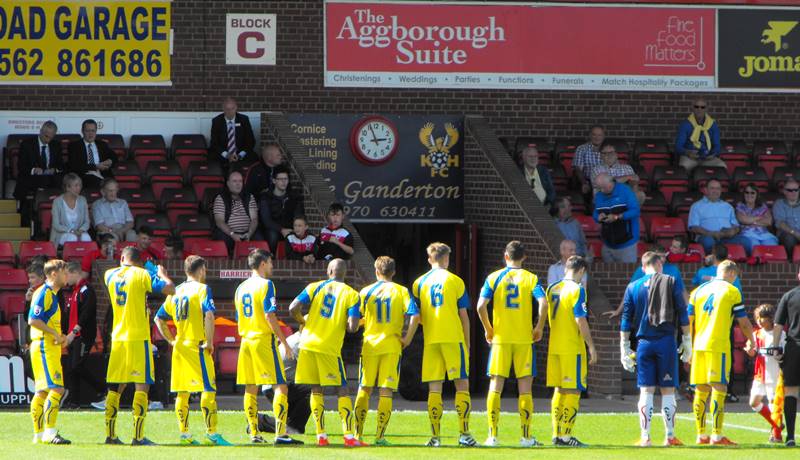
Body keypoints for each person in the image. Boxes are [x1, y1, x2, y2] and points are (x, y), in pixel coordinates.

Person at [154, 255, 232, 446]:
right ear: (201, 270)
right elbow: (209, 315)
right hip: (198, 345)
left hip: (180, 346)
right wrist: (210, 342)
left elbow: (158, 318)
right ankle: (212, 433)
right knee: (208, 388)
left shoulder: (176, 291)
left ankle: (185, 435)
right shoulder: (203, 289)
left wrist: (172, 341)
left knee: (183, 392)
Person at [476, 241, 547, 447]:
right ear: (524, 257)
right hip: (524, 339)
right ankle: (526, 437)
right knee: (525, 388)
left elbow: (481, 306)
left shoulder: (494, 277)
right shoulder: (531, 278)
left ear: (505, 256)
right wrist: (539, 327)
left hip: (500, 339)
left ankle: (492, 436)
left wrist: (488, 328)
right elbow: (543, 303)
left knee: (495, 386)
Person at [289, 259, 365, 447]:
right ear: (344, 273)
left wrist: (302, 320)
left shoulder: (315, 286)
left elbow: (292, 308)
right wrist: (356, 322)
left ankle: (321, 436)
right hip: (328, 348)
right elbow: (353, 328)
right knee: (342, 389)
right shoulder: (352, 294)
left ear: (329, 270)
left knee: (316, 389)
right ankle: (348, 436)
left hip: (306, 345)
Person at [102, 246, 175, 445]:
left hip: (118, 338)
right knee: (141, 385)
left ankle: (110, 435)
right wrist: (161, 274)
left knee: (116, 386)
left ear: (123, 258)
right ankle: (138, 436)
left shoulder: (109, 274)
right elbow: (170, 289)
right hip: (138, 337)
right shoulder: (142, 274)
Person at [619, 251, 691, 447]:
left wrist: (624, 347)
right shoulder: (671, 281)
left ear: (643, 267)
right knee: (667, 390)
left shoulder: (633, 286)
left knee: (646, 391)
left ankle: (645, 437)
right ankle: (669, 436)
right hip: (666, 341)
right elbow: (683, 312)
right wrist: (687, 340)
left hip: (643, 343)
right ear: (659, 265)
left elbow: (625, 319)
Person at [234, 249, 301, 445]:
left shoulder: (241, 287)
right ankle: (281, 434)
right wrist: (284, 341)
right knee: (280, 385)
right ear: (263, 263)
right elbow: (269, 315)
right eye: (270, 263)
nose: (272, 266)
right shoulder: (267, 285)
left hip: (245, 341)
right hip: (263, 340)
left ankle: (254, 433)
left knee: (251, 387)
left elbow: (239, 317)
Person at [412, 242, 475, 447]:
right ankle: (464, 434)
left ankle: (435, 437)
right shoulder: (456, 281)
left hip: (432, 340)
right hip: (453, 338)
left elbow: (417, 315)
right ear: (447, 259)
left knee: (434, 389)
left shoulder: (418, 283)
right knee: (461, 385)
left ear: (430, 259)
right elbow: (463, 315)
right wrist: (467, 343)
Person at [353, 256, 420, 445]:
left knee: (364, 388)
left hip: (370, 346)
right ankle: (380, 436)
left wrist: (365, 322)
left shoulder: (365, 292)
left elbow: (355, 320)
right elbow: (415, 315)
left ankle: (358, 435)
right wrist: (407, 339)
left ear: (376, 271)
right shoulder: (401, 291)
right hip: (392, 346)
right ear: (394, 272)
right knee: (386, 391)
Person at [688, 260, 755, 445]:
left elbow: (688, 321)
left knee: (701, 389)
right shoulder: (732, 291)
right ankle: (716, 436)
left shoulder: (697, 291)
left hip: (698, 345)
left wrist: (688, 345)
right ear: (732, 274)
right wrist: (752, 340)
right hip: (718, 344)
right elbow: (743, 322)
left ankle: (701, 435)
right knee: (719, 387)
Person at [535, 255, 596, 447]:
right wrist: (591, 346)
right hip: (572, 347)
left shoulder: (552, 288)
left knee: (559, 390)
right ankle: (566, 436)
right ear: (581, 271)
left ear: (565, 269)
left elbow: (544, 312)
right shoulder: (578, 290)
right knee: (573, 390)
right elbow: (581, 320)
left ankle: (556, 433)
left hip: (555, 347)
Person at [28, 259, 71, 444]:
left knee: (42, 392)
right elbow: (33, 319)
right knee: (57, 389)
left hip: (45, 345)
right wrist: (54, 333)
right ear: (54, 274)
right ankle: (50, 433)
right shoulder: (44, 293)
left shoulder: (50, 294)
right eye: (64, 272)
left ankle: (39, 434)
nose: (67, 275)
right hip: (45, 346)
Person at [60, 262, 105, 408]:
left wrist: (74, 332)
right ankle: (74, 401)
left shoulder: (87, 290)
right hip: (73, 335)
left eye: (67, 275)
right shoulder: (74, 291)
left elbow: (87, 313)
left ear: (75, 273)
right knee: (72, 369)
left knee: (76, 366)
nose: (65, 279)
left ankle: (103, 389)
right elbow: (68, 316)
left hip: (83, 335)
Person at [745, 303, 785, 443]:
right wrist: (750, 350)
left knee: (774, 402)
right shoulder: (757, 334)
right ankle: (777, 424)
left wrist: (778, 353)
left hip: (774, 372)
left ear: (770, 318)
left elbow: (783, 352)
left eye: (763, 318)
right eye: (757, 318)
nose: (759, 321)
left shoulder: (778, 333)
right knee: (754, 402)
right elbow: (751, 350)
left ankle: (777, 434)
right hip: (760, 373)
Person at [15, 121, 64, 225]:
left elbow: (61, 165)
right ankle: (34, 216)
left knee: (64, 181)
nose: (48, 139)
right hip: (31, 177)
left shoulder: (56, 145)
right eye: (46, 136)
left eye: (51, 137)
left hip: (51, 178)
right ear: (41, 131)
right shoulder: (27, 144)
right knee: (41, 180)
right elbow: (21, 166)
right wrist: (33, 170)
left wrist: (54, 169)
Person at [773, 266, 800, 446]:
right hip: (794, 346)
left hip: (794, 346)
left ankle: (790, 436)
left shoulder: (789, 295)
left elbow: (778, 324)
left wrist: (775, 347)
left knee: (791, 391)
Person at [688, 180, 749, 254]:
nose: (715, 191)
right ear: (705, 190)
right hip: (707, 236)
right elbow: (694, 227)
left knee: (746, 242)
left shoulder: (728, 206)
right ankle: (714, 263)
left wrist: (733, 231)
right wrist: (711, 233)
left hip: (727, 237)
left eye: (718, 188)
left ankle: (740, 263)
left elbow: (736, 226)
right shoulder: (696, 206)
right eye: (712, 188)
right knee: (708, 242)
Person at [593, 173, 640, 263]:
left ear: (610, 185)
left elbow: (635, 211)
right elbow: (595, 212)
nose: (600, 190)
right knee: (608, 275)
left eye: (602, 187)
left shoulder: (625, 191)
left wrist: (617, 216)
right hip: (608, 244)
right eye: (599, 188)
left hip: (627, 244)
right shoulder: (599, 195)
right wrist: (597, 217)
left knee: (627, 274)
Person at [258, 166, 304, 253]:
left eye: (286, 179)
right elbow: (266, 220)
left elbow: (299, 215)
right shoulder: (266, 197)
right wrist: (281, 230)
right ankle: (271, 258)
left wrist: (296, 228)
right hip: (272, 229)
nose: (284, 182)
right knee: (272, 235)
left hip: (290, 227)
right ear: (274, 181)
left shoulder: (293, 197)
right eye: (280, 179)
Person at [212, 170, 261, 252]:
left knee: (259, 239)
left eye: (240, 181)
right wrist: (233, 234)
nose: (238, 184)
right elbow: (219, 221)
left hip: (247, 233)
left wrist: (250, 233)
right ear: (228, 184)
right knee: (222, 239)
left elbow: (254, 219)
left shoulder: (249, 197)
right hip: (229, 233)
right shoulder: (221, 198)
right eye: (234, 181)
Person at [675, 98, 724, 173]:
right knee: (683, 168)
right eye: (696, 107)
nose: (699, 109)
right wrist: (688, 153)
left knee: (722, 166)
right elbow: (678, 146)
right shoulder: (685, 124)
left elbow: (717, 145)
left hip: (707, 157)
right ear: (692, 108)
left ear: (706, 109)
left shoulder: (712, 125)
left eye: (702, 107)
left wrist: (713, 154)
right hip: (690, 157)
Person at [67, 119, 117, 189]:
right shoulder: (74, 146)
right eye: (87, 131)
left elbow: (114, 157)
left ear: (96, 131)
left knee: (112, 184)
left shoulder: (102, 144)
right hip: (85, 175)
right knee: (94, 180)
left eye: (93, 131)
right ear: (82, 131)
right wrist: (95, 166)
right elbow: (74, 165)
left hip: (103, 174)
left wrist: (110, 161)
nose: (90, 134)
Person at [209, 97, 256, 167]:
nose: (230, 112)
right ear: (223, 109)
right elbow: (214, 143)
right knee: (211, 157)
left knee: (254, 157)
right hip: (224, 152)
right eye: (227, 109)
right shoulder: (217, 121)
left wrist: (240, 155)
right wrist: (227, 155)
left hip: (240, 152)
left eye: (232, 108)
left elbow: (251, 141)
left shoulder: (244, 119)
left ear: (236, 108)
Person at [50, 173, 92, 247]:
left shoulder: (83, 200)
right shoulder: (57, 202)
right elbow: (56, 225)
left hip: (79, 232)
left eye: (80, 185)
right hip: (62, 233)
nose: (79, 188)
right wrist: (71, 231)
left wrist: (81, 230)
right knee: (72, 238)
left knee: (86, 238)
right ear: (67, 187)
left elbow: (87, 221)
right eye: (76, 185)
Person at [736, 184, 779, 254]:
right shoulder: (740, 206)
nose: (749, 194)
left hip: (764, 234)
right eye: (747, 192)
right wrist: (760, 218)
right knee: (755, 248)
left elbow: (769, 221)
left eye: (752, 192)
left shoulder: (762, 206)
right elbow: (742, 219)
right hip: (747, 234)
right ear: (743, 194)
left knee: (772, 246)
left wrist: (750, 221)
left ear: (757, 194)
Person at [574, 125, 605, 206]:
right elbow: (578, 169)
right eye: (594, 135)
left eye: (599, 135)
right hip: (589, 181)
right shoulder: (581, 149)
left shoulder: (607, 150)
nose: (597, 137)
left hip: (605, 181)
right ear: (590, 136)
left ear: (603, 137)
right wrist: (584, 182)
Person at [772, 179, 800, 256]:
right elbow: (780, 223)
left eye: (796, 190)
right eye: (790, 190)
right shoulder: (779, 204)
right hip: (787, 234)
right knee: (789, 238)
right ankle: (791, 264)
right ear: (784, 191)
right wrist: (795, 233)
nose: (794, 192)